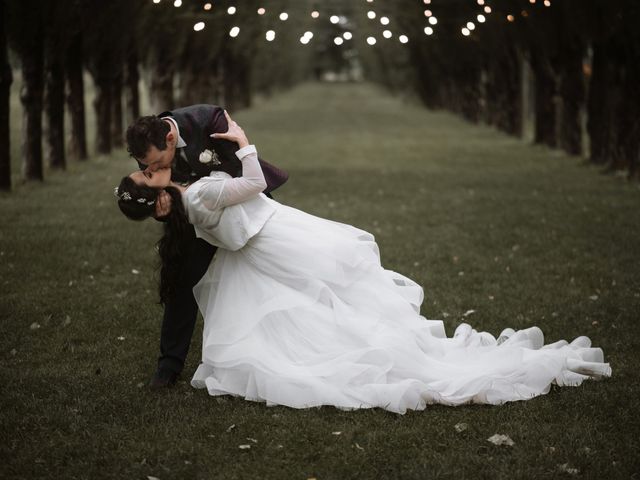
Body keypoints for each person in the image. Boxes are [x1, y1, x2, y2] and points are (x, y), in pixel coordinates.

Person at [116, 112, 611, 414]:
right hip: (271, 232)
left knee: (314, 299)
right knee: (335, 285)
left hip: (256, 239)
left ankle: (347, 343)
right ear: (156, 194)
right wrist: (245, 146)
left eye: (148, 165)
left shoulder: (187, 191)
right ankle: (369, 346)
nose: (149, 170)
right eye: (145, 174)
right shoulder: (198, 195)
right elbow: (254, 184)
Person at [124, 105, 288, 389]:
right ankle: (169, 365)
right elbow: (156, 192)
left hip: (240, 207)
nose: (150, 169)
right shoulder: (147, 149)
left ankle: (283, 348)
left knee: (275, 273)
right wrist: (159, 210)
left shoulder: (209, 121)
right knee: (180, 279)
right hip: (194, 214)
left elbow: (245, 177)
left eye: (155, 162)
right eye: (145, 166)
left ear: (171, 140)